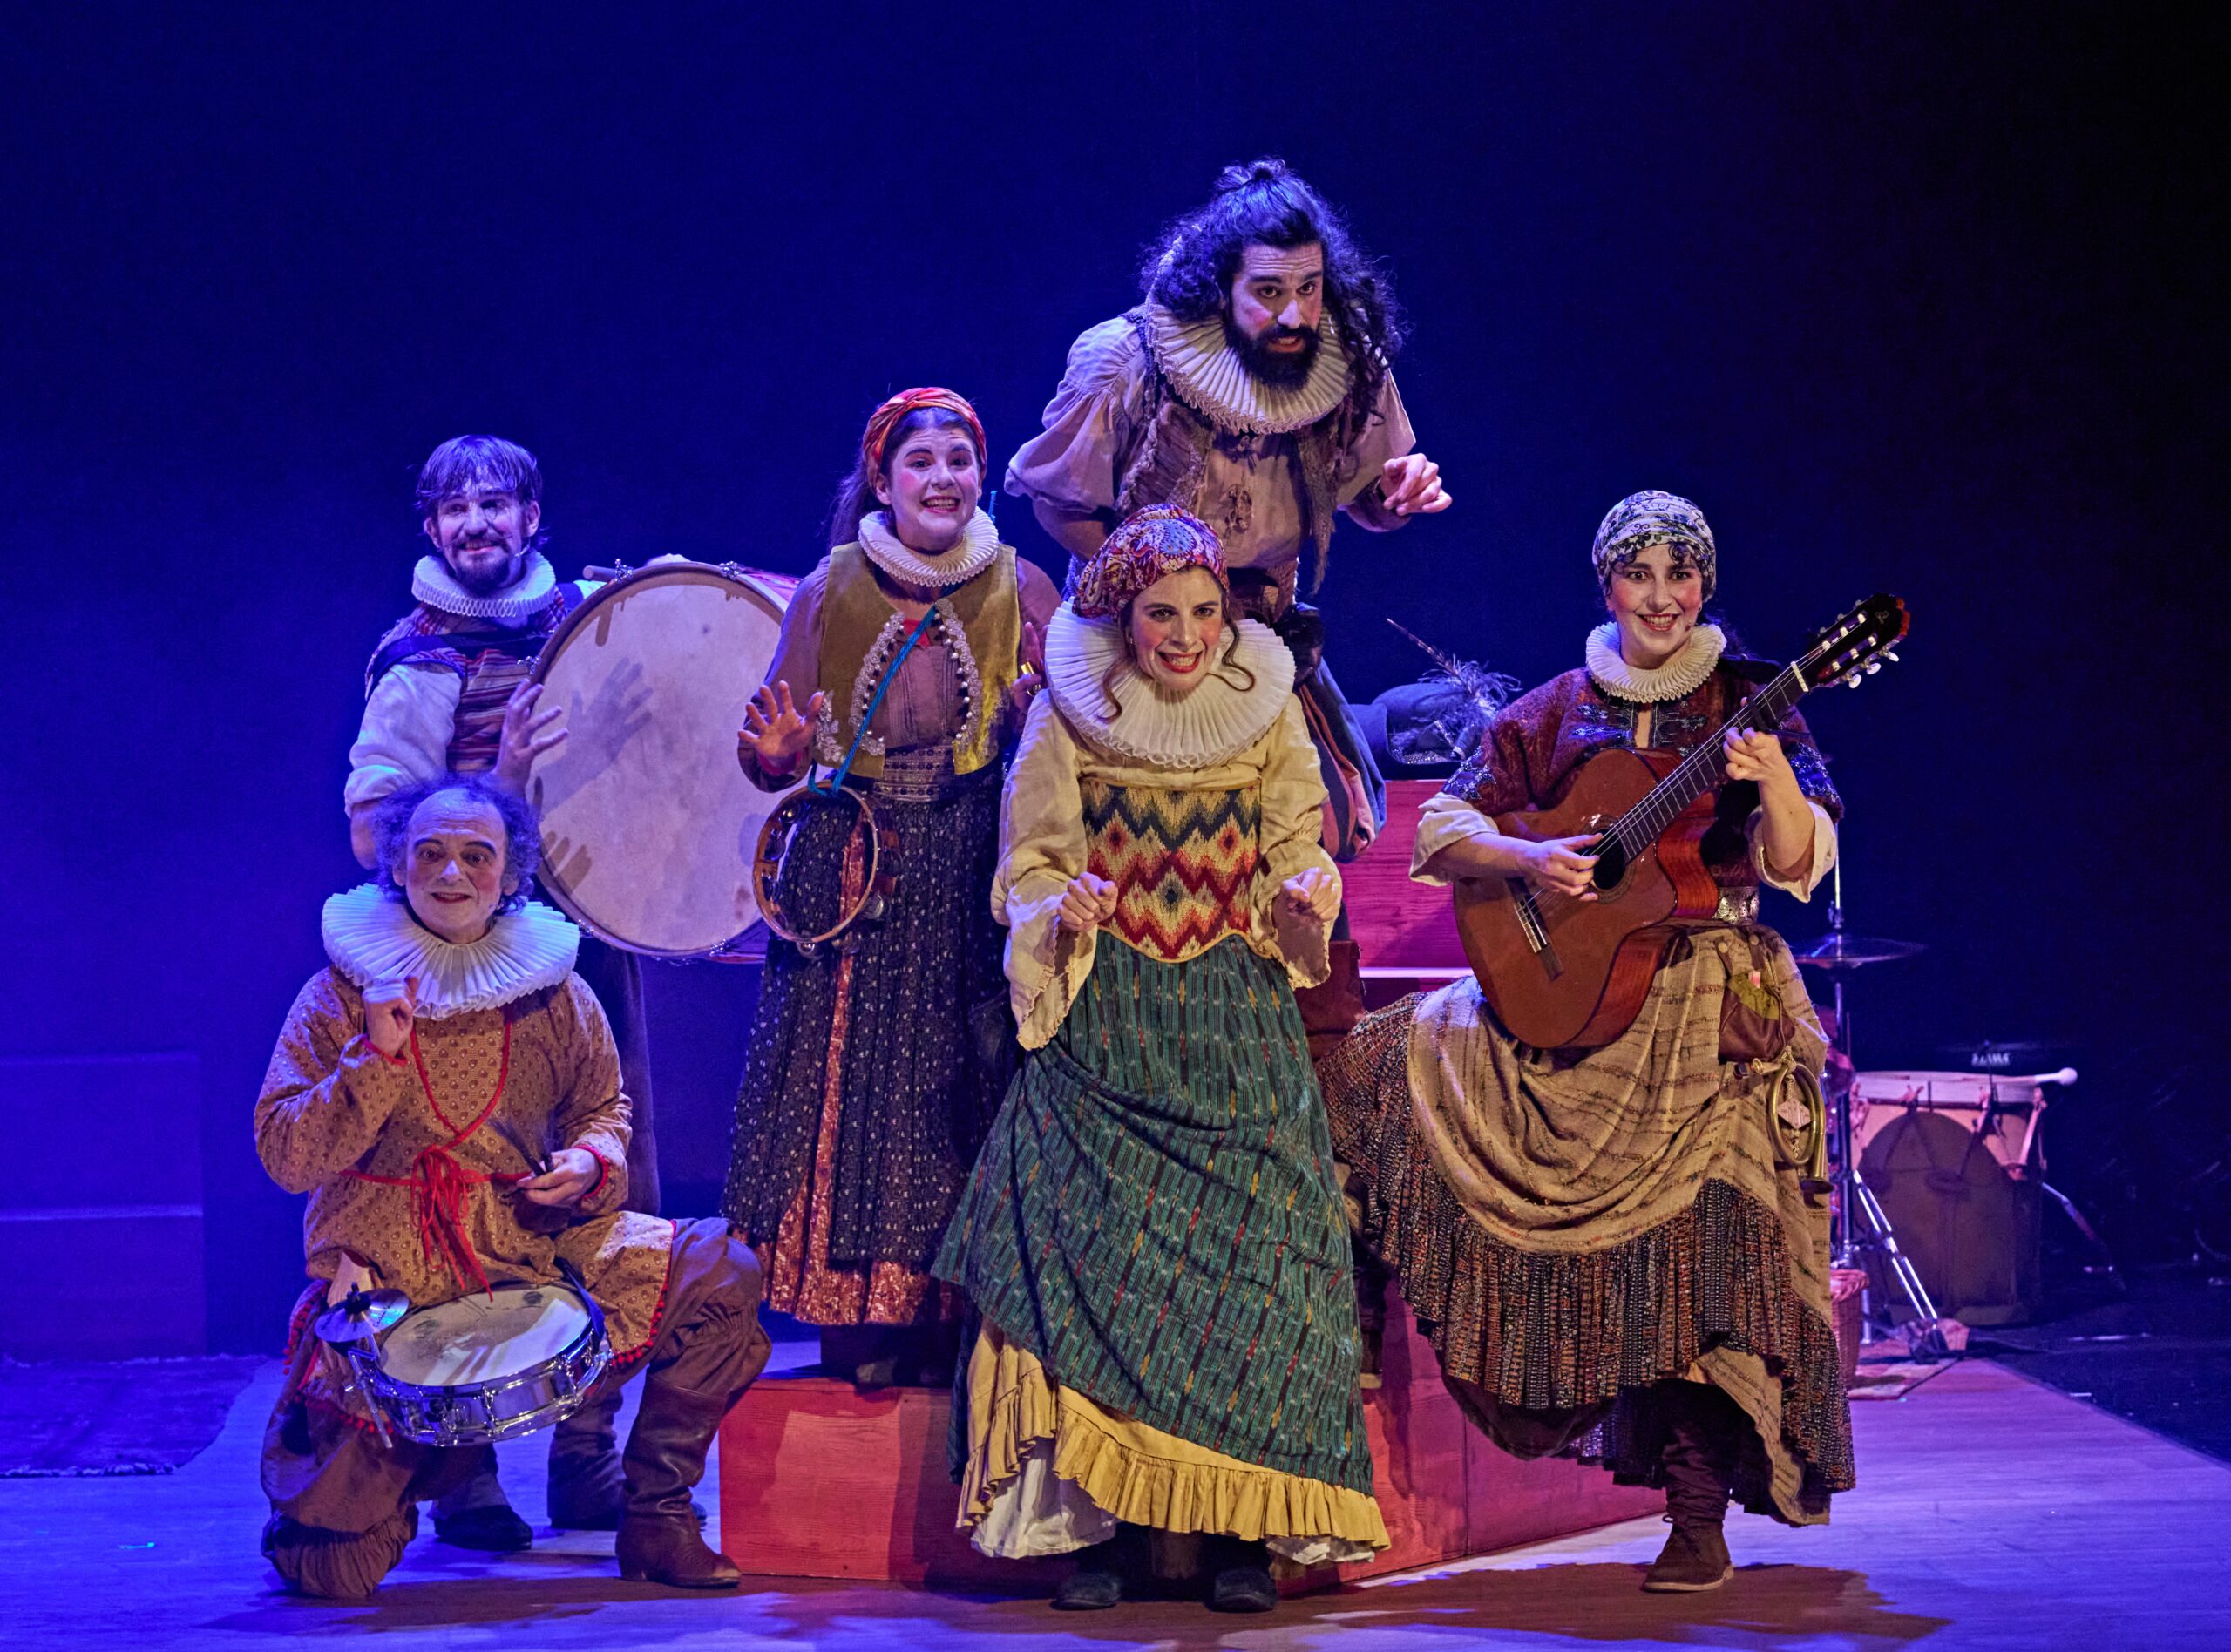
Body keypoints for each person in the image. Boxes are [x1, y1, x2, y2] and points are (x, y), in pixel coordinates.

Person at [1315, 491, 1856, 1593]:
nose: (1660, 598)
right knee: (1368, 1061)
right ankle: (1354, 1332)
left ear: (1706, 585)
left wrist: (1771, 783)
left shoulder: (1752, 701)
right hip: (1574, 998)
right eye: (1637, 574)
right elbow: (1443, 827)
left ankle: (1695, 1515)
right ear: (1605, 584)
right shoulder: (1556, 708)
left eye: (1680, 575)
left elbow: (1801, 861)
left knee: (1713, 1233)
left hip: (1708, 999)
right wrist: (1532, 860)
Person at [937, 506, 1387, 1614]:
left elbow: (1297, 842)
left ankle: (1243, 1539)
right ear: (1122, 616)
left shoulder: (1264, 706)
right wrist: (1063, 903)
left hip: (1233, 1020)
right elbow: (1029, 862)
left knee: (1261, 1266)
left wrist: (1302, 891)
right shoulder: (1069, 713)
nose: (1185, 636)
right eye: (1160, 614)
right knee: (1097, 1263)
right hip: (1108, 1015)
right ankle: (1104, 1532)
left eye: (1202, 612)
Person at [256, 775, 770, 1600]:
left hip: (526, 1246)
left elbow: (604, 1107)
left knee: (722, 1269)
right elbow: (285, 1154)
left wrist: (590, 1163)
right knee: (334, 1569)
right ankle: (436, 1476)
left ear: (510, 874)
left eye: (476, 855)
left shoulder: (554, 993)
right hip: (393, 1274)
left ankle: (659, 1517)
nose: (451, 872)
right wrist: (373, 1059)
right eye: (430, 852)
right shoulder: (339, 995)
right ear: (398, 865)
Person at [342, 434, 657, 1544]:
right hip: (465, 964)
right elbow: (375, 832)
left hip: (584, 947)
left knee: (604, 1178)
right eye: (457, 508)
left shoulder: (582, 621)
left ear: (532, 517)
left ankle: (587, 1456)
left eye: (497, 504)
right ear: (431, 528)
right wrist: (502, 780)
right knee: (462, 1193)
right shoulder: (420, 661)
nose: (478, 524)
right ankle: (465, 1472)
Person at [722, 389, 1061, 1385]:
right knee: (850, 1093)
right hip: (854, 865)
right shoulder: (827, 589)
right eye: (921, 462)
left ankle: (958, 1323)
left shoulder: (1021, 586)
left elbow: (1075, 735)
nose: (942, 478)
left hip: (967, 863)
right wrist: (776, 756)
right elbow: (770, 754)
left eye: (959, 459)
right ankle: (859, 1326)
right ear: (882, 480)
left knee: (953, 1089)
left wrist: (1034, 728)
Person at [1006, 158, 1451, 863]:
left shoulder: (1346, 365)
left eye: (1309, 288)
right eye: (1268, 291)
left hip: (1259, 633)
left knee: (1305, 833)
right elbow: (1059, 503)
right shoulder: (1125, 361)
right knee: (1126, 838)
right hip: (1134, 637)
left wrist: (1393, 498)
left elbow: (1366, 502)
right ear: (1221, 287)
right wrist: (1151, 585)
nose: (1294, 314)